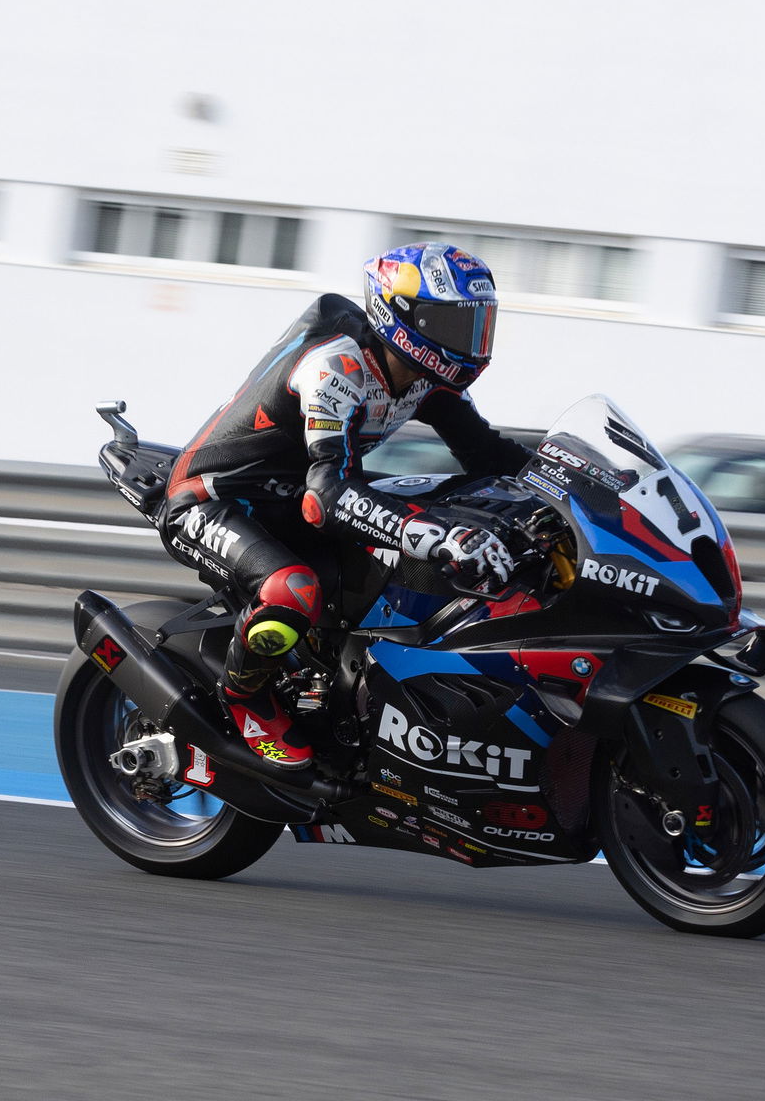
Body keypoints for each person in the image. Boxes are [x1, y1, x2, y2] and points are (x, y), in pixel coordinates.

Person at [159, 243, 530, 769]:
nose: (468, 341)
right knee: (292, 590)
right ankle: (244, 696)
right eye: (452, 324)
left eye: (475, 326)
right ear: (403, 318)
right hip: (214, 498)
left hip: (290, 503)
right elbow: (326, 497)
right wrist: (436, 535)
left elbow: (488, 454)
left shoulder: (427, 378)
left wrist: (581, 481)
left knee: (422, 542)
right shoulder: (334, 367)